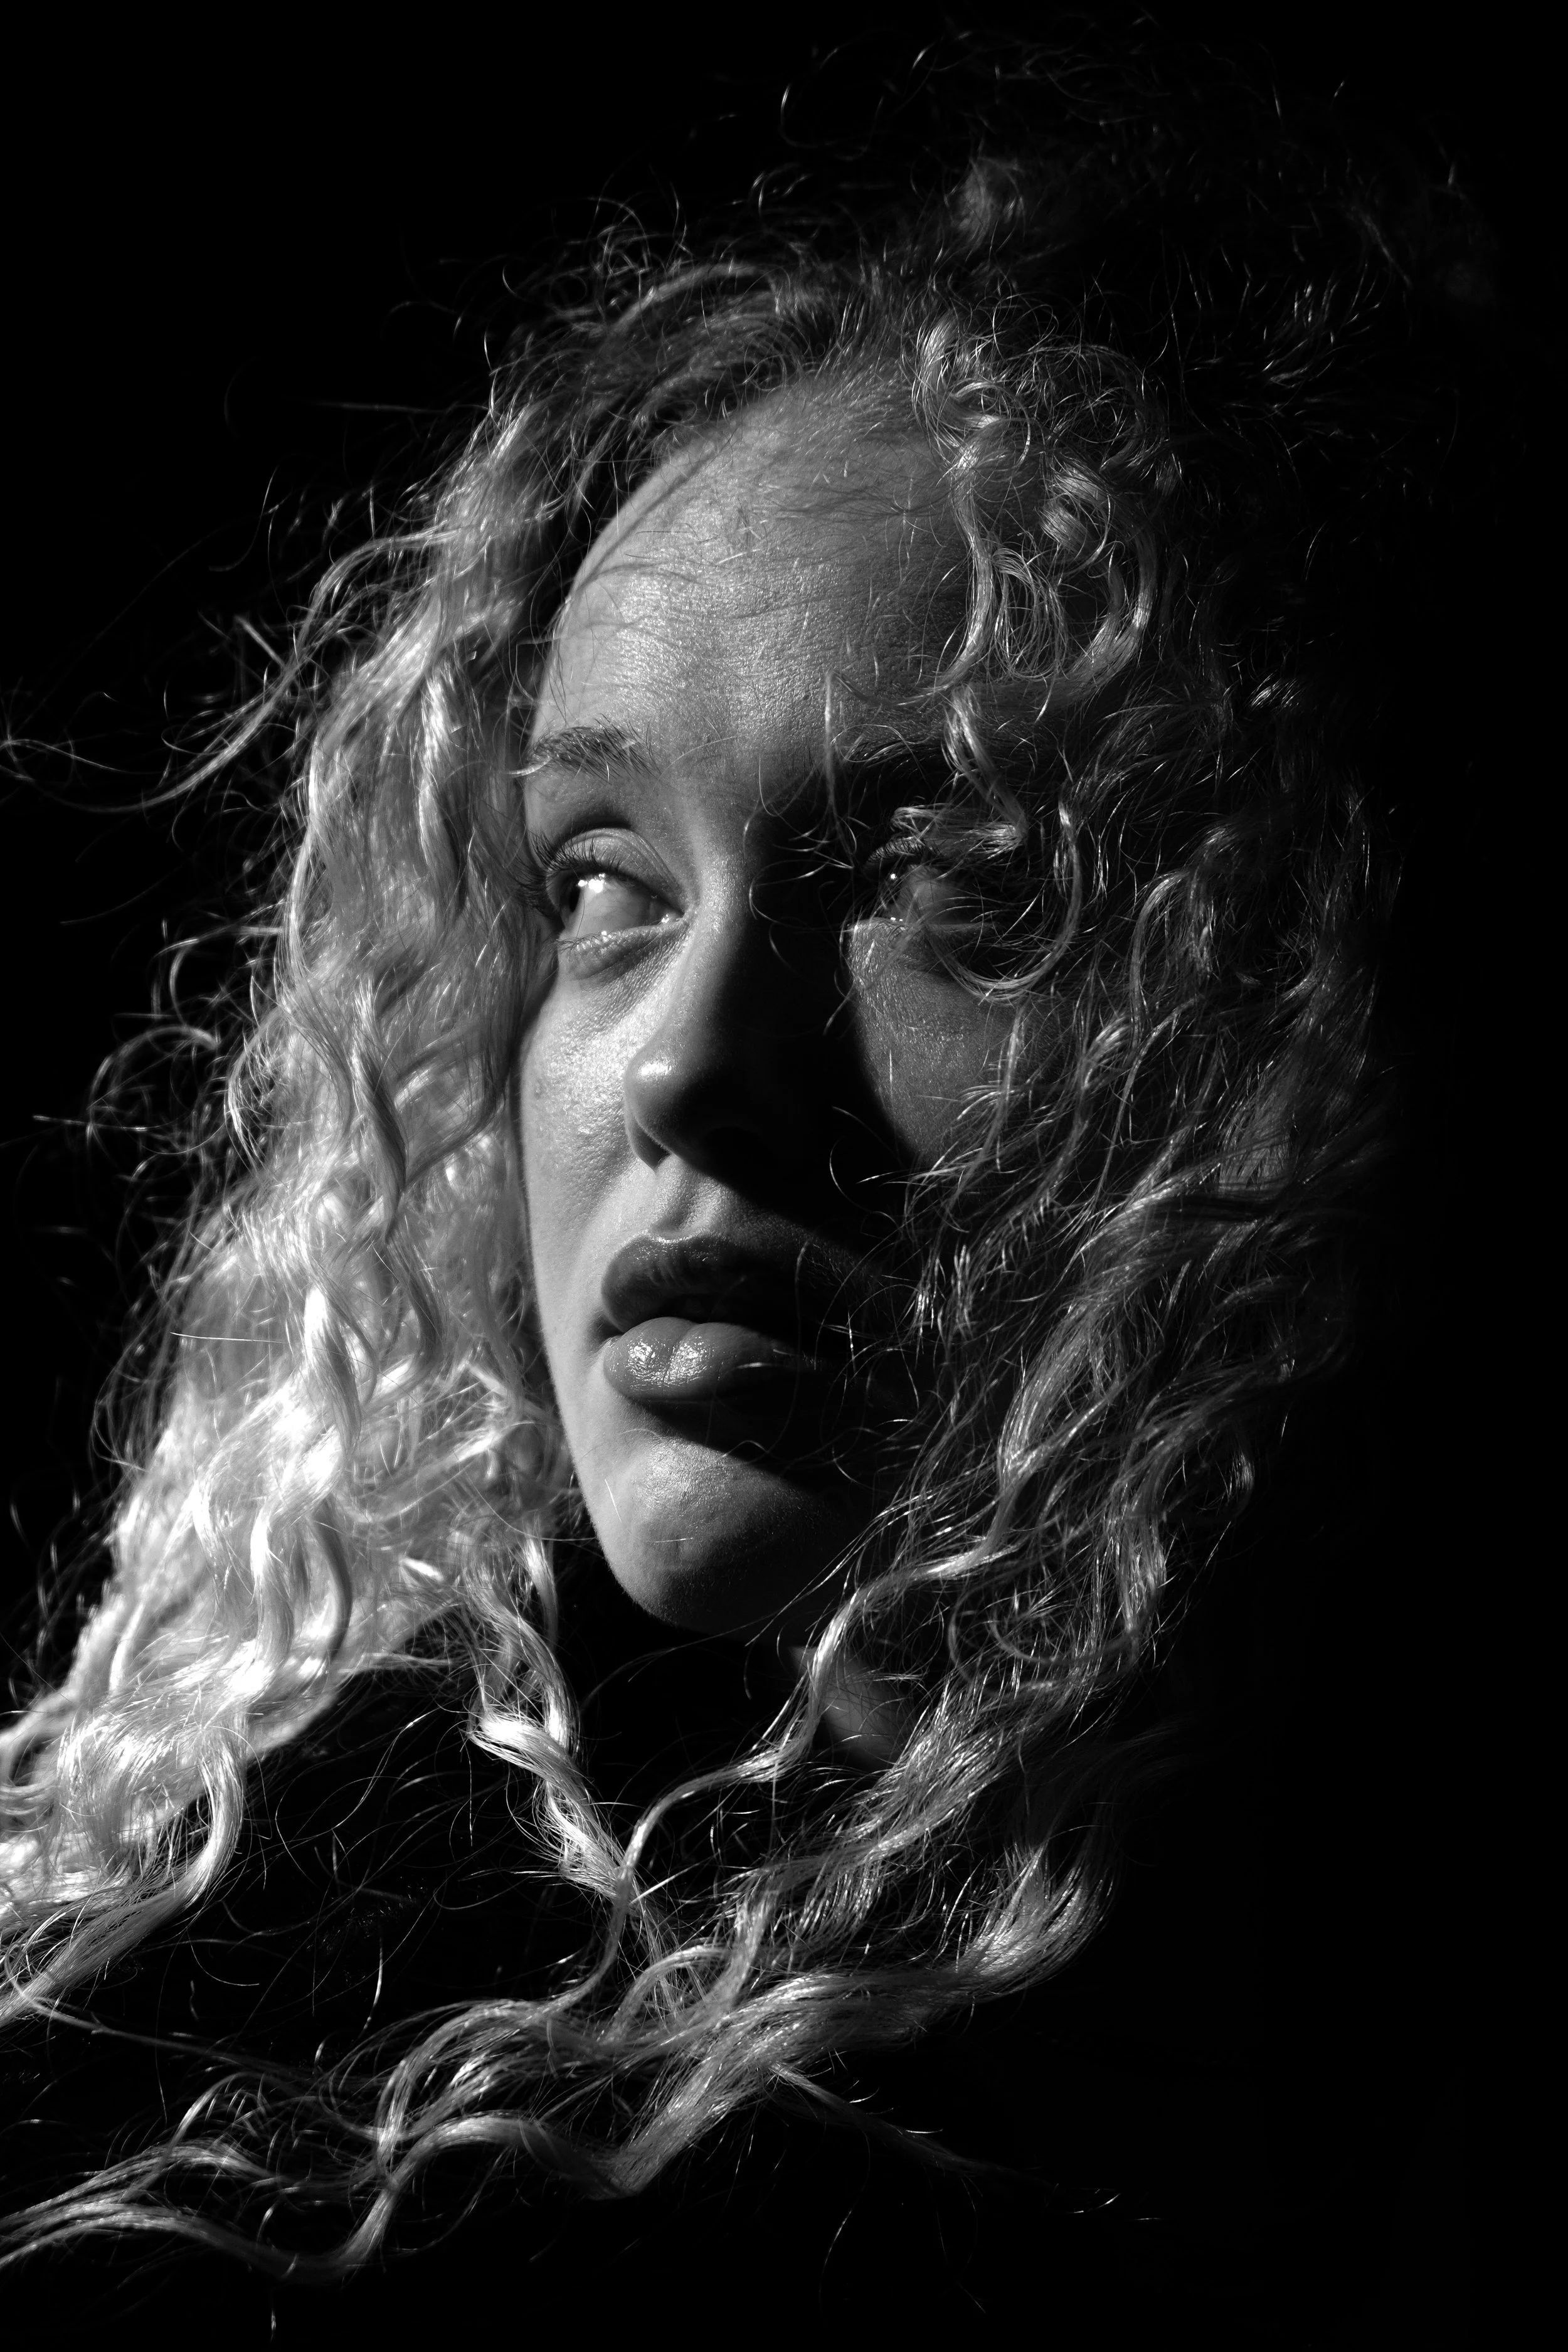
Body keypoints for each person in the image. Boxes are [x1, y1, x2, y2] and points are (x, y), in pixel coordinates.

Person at [0, 43, 1493, 2336]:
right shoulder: (250, 2192)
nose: (686, 1062)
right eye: (600, 883)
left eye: (968, 879)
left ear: (1362, 993)